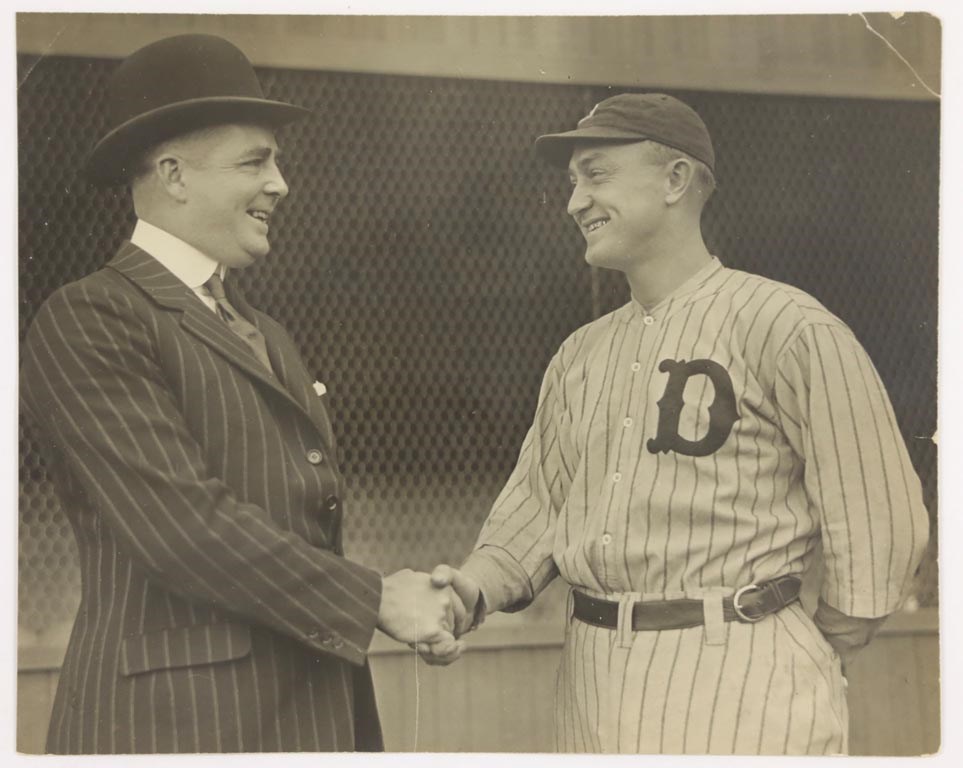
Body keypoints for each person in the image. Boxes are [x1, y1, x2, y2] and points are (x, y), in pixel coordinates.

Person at [424, 92, 929, 755]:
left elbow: (877, 517)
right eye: (573, 181)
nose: (573, 201)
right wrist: (469, 590)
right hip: (593, 672)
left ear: (674, 179)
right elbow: (537, 512)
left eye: (595, 174)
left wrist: (810, 645)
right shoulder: (580, 354)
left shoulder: (785, 324)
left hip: (738, 664)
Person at [21, 34, 463, 754]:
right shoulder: (91, 316)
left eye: (276, 161)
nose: (280, 183)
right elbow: (181, 526)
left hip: (306, 718)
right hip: (179, 727)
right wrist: (377, 598)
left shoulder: (266, 332)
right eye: (254, 161)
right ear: (173, 175)